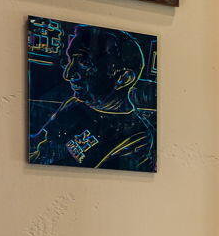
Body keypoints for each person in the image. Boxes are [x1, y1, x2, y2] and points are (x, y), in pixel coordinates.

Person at [27, 25, 155, 170]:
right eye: (69, 61)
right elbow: (38, 143)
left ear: (124, 78)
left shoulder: (137, 138)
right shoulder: (75, 103)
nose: (68, 75)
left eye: (84, 63)